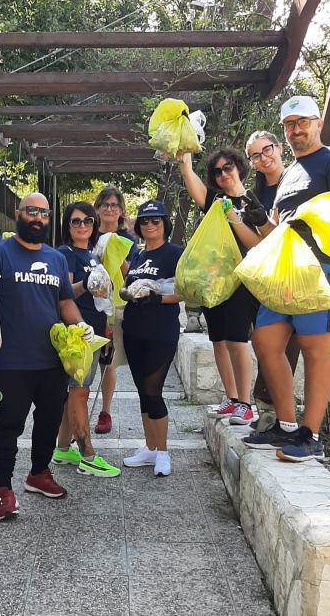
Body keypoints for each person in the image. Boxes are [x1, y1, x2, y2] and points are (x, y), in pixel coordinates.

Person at [0, 192, 91, 521]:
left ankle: (38, 473)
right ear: (18, 213)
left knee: (49, 420)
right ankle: (2, 489)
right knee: (8, 425)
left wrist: (81, 327)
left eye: (43, 213)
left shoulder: (56, 258)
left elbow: (65, 301)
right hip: (8, 358)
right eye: (31, 211)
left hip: (51, 358)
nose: (37, 218)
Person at [243, 97, 330, 460]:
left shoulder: (329, 159)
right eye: (289, 125)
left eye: (301, 122)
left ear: (316, 122)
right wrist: (258, 219)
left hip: (319, 268)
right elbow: (277, 229)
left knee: (315, 350)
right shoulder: (290, 172)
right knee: (265, 342)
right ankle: (286, 425)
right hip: (284, 271)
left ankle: (310, 436)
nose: (296, 130)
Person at [178, 148, 261, 425]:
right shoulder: (215, 199)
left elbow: (258, 243)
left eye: (228, 168)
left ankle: (246, 404)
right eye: (217, 171)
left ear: (238, 167)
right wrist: (185, 157)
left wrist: (233, 218)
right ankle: (232, 398)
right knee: (218, 340)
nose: (223, 174)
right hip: (212, 281)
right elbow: (190, 180)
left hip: (242, 279)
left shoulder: (252, 201)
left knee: (238, 339)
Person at [53, 201, 120, 478]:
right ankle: (88, 455)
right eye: (76, 221)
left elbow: (102, 298)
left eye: (88, 221)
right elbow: (65, 295)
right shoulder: (65, 254)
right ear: (67, 226)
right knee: (79, 393)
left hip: (94, 331)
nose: (82, 226)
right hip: (77, 335)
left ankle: (62, 448)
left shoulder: (92, 254)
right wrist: (88, 282)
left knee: (75, 395)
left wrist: (108, 331)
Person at [121, 201, 183, 477]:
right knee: (142, 392)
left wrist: (155, 296)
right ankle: (149, 447)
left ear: (165, 224)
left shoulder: (175, 253)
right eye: (145, 221)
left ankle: (163, 452)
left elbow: (184, 292)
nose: (150, 225)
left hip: (161, 332)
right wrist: (127, 293)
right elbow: (127, 286)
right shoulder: (137, 255)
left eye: (156, 220)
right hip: (134, 331)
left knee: (153, 391)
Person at [244, 131, 300, 433]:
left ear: (279, 148)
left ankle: (287, 419)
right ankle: (269, 410)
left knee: (291, 343)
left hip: (302, 272)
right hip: (267, 275)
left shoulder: (299, 180)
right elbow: (262, 239)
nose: (264, 158)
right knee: (266, 341)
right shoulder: (256, 193)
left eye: (267, 150)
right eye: (256, 155)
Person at [92, 185, 137, 435]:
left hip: (115, 307)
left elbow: (131, 274)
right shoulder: (86, 232)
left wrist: (117, 254)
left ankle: (105, 411)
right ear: (97, 208)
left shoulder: (128, 240)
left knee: (107, 361)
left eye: (114, 205)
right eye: (105, 205)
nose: (109, 209)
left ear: (121, 211)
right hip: (88, 305)